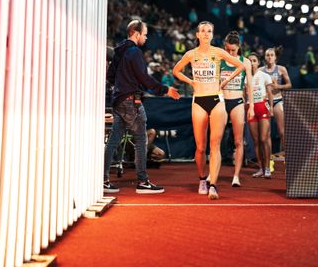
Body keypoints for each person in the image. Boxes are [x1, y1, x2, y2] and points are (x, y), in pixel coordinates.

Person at [172, 21, 248, 200]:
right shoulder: (191, 54)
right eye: (203, 31)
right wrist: (190, 82)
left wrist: (224, 82)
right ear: (197, 35)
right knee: (200, 147)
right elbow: (176, 70)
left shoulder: (219, 52)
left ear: (213, 35)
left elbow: (241, 66)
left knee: (215, 145)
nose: (206, 34)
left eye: (209, 31)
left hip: (216, 99)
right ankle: (202, 179)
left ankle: (213, 184)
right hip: (198, 100)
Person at [103, 19, 180, 194]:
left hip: (119, 101)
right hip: (131, 101)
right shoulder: (134, 52)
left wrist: (123, 86)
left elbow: (111, 76)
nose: (145, 38)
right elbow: (145, 79)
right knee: (140, 141)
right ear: (136, 34)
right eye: (144, 34)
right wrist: (165, 89)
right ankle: (143, 181)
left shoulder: (118, 51)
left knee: (113, 141)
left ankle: (104, 180)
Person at [220, 31, 254, 187]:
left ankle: (236, 176)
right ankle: (214, 173)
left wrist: (251, 106)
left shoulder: (245, 62)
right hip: (221, 101)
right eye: (228, 50)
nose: (230, 53)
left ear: (239, 47)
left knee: (238, 140)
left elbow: (250, 87)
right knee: (216, 140)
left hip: (237, 101)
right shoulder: (220, 60)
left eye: (233, 50)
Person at [247, 52, 274, 178]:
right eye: (250, 60)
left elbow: (270, 93)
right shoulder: (245, 77)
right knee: (256, 141)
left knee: (264, 139)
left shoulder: (264, 75)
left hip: (263, 107)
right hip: (251, 108)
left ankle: (268, 167)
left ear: (258, 63)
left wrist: (272, 108)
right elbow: (243, 94)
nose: (252, 63)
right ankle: (261, 168)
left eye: (254, 60)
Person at [261, 46, 291, 156]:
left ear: (275, 57)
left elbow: (289, 85)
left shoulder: (281, 69)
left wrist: (278, 85)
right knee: (266, 133)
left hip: (278, 100)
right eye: (267, 55)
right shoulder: (260, 70)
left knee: (282, 131)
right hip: (265, 102)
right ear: (264, 57)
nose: (269, 57)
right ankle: (267, 156)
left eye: (271, 55)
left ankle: (286, 154)